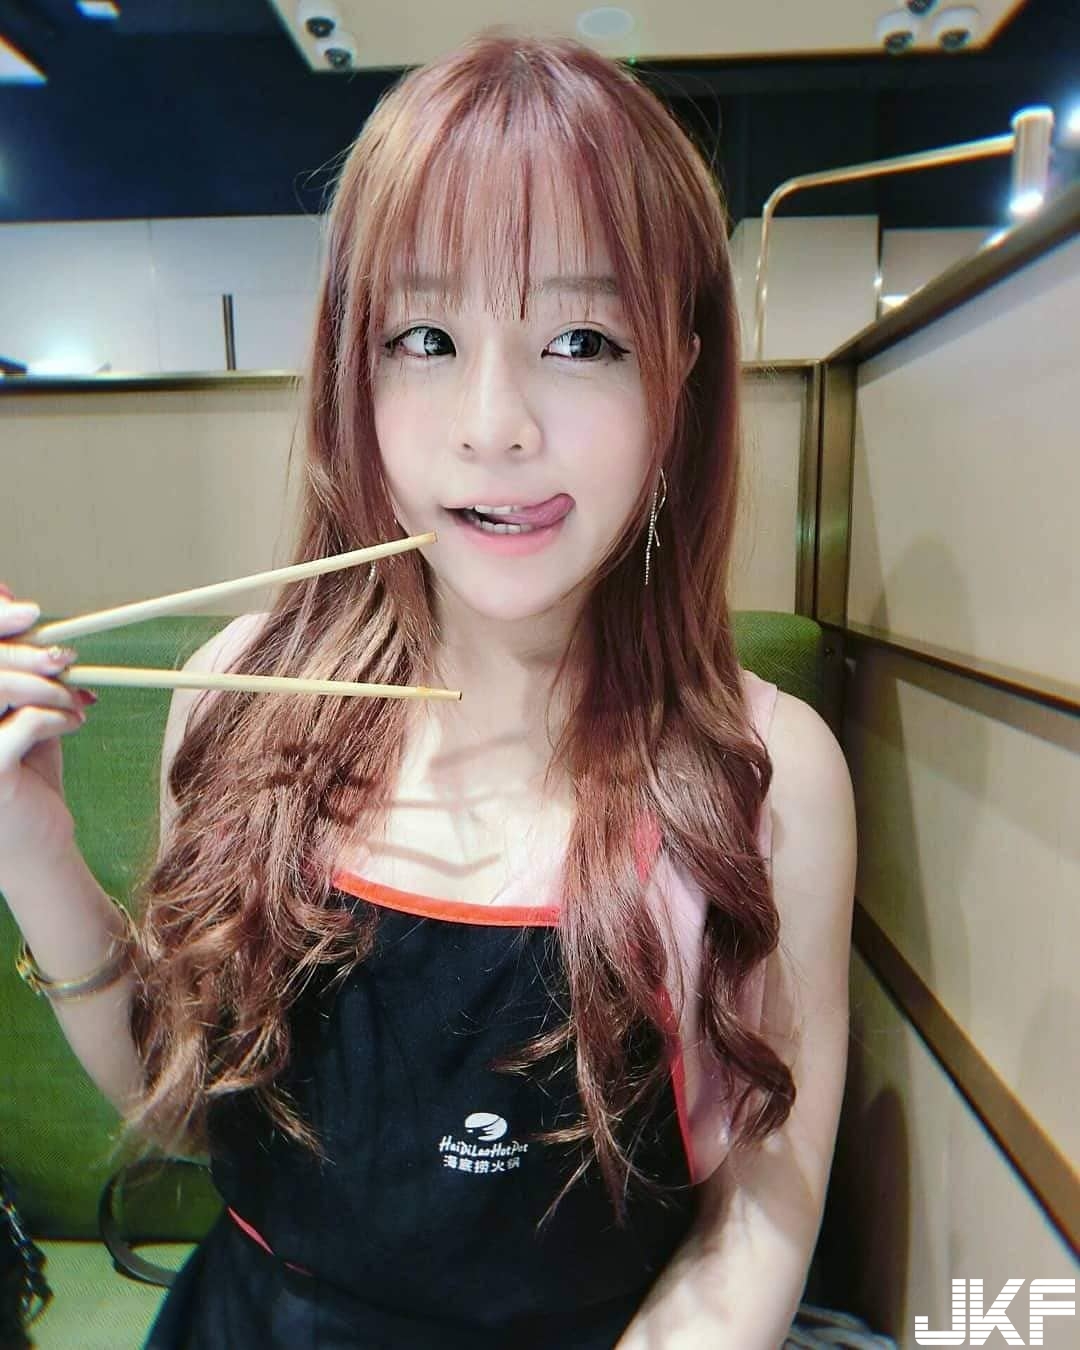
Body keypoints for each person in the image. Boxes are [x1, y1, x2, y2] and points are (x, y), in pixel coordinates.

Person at [0, 28, 856, 1350]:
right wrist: (29, 840)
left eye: (581, 337)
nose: (492, 424)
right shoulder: (239, 695)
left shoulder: (764, 774)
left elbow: (757, 1225)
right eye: (425, 335)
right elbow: (181, 1110)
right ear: (356, 363)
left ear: (680, 372)